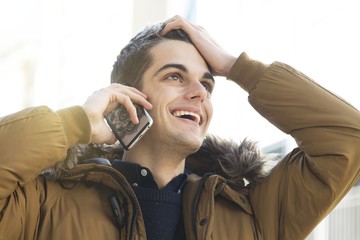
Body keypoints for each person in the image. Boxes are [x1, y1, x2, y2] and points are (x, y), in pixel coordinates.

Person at [0, 15, 359, 240]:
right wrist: (77, 122)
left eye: (207, 84)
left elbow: (347, 137)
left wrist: (237, 68)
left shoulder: (254, 216)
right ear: (127, 96)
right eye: (175, 76)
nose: (198, 93)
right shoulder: (43, 203)